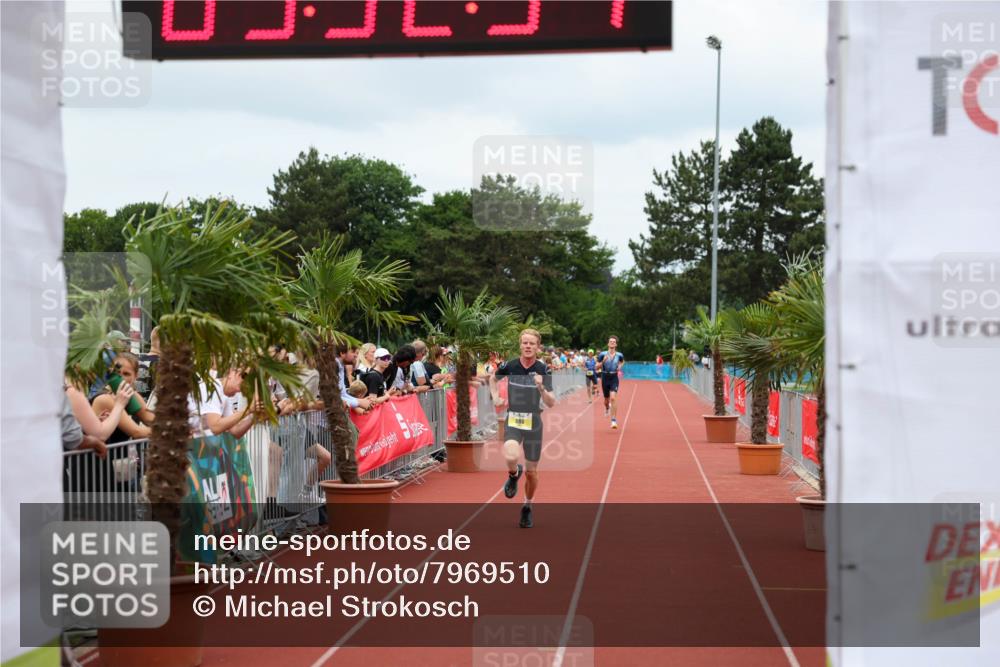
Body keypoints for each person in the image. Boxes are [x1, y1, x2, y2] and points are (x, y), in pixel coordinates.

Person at [490, 328, 555, 529]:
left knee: (532, 473)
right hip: (514, 417)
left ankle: (527, 506)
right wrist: (495, 397)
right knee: (510, 454)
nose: (528, 346)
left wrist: (541, 387)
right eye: (525, 343)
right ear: (520, 345)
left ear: (537, 347)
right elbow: (493, 378)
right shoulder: (510, 365)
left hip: (534, 421)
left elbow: (551, 402)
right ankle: (512, 475)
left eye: (532, 343)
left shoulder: (544, 370)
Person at [596, 336, 625, 429]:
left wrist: (620, 366)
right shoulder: (602, 354)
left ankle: (613, 420)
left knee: (613, 398)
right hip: (605, 377)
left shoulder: (619, 355)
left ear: (616, 344)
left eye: (614, 342)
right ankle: (607, 408)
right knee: (606, 400)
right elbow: (596, 367)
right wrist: (602, 362)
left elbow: (622, 362)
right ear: (608, 344)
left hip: (614, 377)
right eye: (610, 341)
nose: (612, 343)